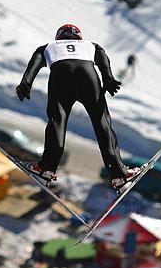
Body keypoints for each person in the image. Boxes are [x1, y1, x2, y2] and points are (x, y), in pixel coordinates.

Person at [16, 24, 139, 192]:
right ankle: (119, 174)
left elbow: (34, 63)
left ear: (58, 37)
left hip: (61, 75)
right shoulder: (90, 45)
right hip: (87, 74)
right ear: (79, 37)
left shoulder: (48, 47)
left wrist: (26, 84)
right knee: (101, 122)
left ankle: (46, 168)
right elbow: (102, 57)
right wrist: (108, 79)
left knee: (57, 121)